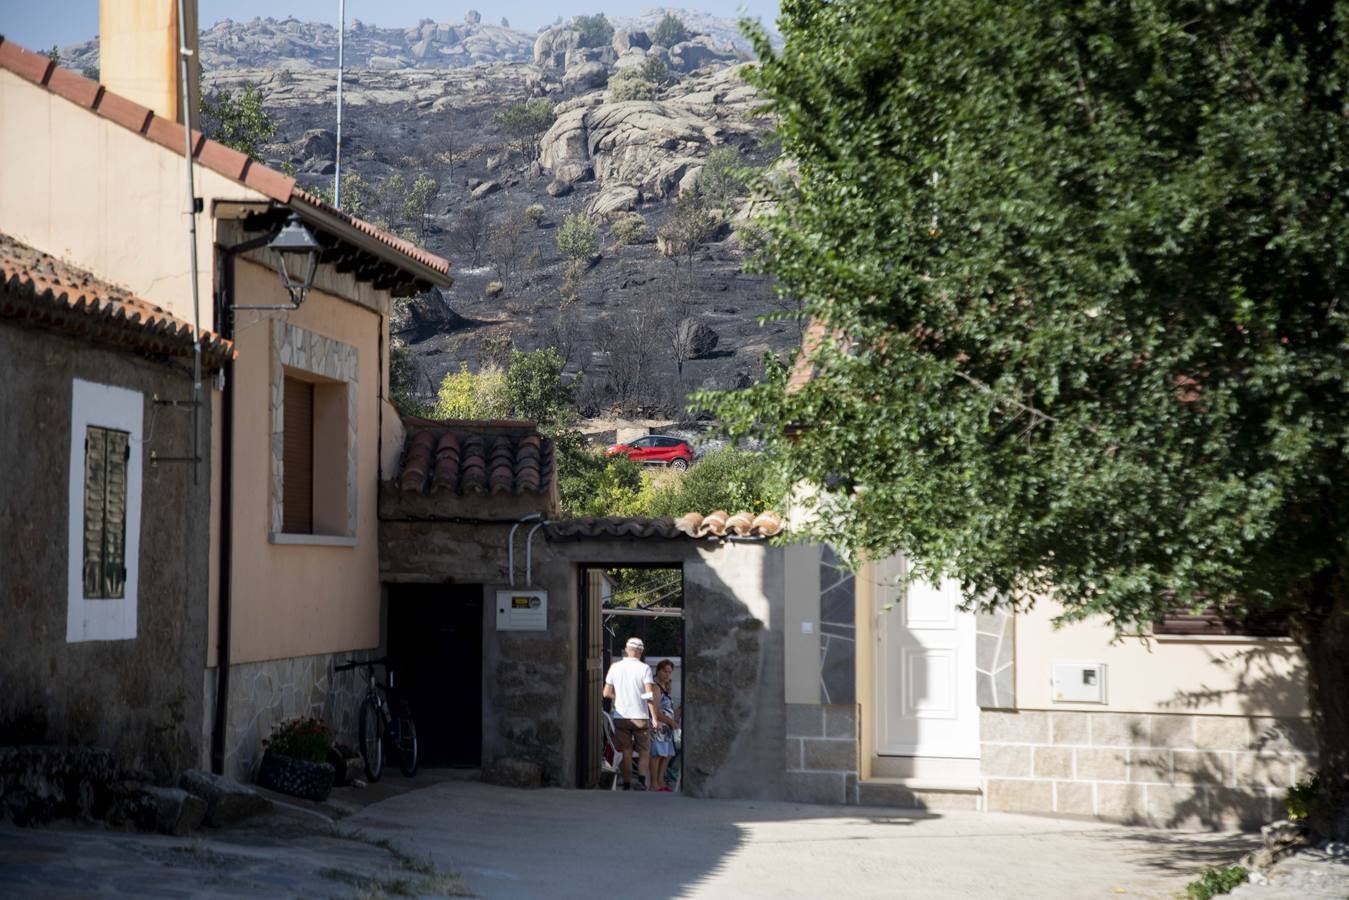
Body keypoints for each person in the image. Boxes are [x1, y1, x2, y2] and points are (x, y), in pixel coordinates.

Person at [603, 637, 658, 790]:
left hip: (621, 716)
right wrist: (654, 717)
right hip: (640, 716)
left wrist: (619, 697)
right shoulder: (644, 668)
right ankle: (640, 780)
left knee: (626, 750)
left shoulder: (615, 667)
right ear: (640, 652)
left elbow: (606, 693)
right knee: (644, 749)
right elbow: (649, 696)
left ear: (626, 650)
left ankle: (626, 783)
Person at [649, 659, 679, 792]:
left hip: (667, 727)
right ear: (659, 671)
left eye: (670, 672)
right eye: (665, 671)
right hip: (660, 725)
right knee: (657, 754)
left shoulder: (665, 687)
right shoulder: (655, 687)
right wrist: (670, 721)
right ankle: (654, 782)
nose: (668, 675)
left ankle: (660, 781)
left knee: (667, 754)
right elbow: (655, 710)